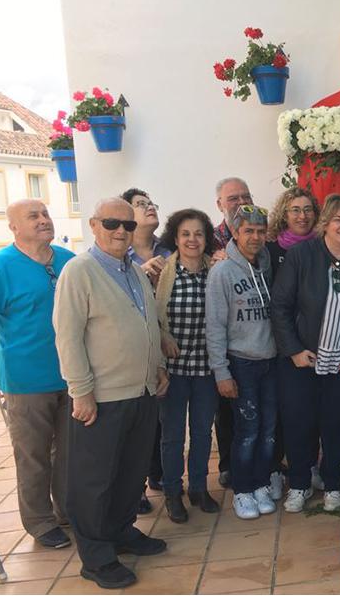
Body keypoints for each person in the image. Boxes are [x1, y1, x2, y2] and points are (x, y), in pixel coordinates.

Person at [53, 198, 168, 589]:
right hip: (101, 397)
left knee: (130, 473)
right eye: (111, 223)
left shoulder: (134, 272)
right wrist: (80, 392)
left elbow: (147, 324)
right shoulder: (79, 272)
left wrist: (158, 368)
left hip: (140, 392)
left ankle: (121, 532)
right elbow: (67, 337)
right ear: (94, 225)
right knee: (93, 481)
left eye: (127, 224)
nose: (120, 230)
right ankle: (96, 557)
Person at [271, 194, 340, 514]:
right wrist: (293, 351)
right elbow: (280, 306)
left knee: (334, 425)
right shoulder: (301, 256)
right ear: (325, 223)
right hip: (302, 362)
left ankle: (333, 484)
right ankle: (300, 484)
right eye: (338, 219)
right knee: (298, 424)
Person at [0, 199, 74, 549]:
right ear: (13, 227)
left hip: (74, 377)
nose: (44, 220)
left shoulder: (69, 261)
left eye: (45, 213)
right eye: (33, 216)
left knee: (70, 452)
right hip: (26, 381)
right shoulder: (2, 267)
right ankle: (40, 523)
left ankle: (67, 511)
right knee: (33, 455)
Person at [206, 205, 278, 520]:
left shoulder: (266, 265)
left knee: (268, 429)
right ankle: (243, 490)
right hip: (241, 362)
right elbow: (215, 325)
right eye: (248, 230)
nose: (255, 237)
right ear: (235, 233)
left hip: (270, 360)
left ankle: (261, 482)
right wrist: (221, 372)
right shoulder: (222, 271)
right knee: (247, 430)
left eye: (261, 231)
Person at [155, 209, 220, 522]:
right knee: (173, 436)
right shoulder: (162, 274)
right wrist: (162, 336)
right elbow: (150, 317)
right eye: (185, 234)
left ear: (206, 238)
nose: (192, 239)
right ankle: (171, 491)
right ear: (175, 239)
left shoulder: (216, 271)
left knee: (203, 433)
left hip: (207, 368)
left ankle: (198, 487)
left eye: (198, 233)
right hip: (174, 370)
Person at [267, 187, 323, 497]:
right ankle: (277, 469)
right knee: (284, 413)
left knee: (312, 411)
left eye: (307, 210)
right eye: (295, 210)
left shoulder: (325, 248)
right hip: (281, 345)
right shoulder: (271, 250)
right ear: (284, 215)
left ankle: (309, 466)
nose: (302, 216)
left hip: (316, 346)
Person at [120, 187, 171, 513]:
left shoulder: (169, 249)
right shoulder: (118, 257)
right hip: (131, 351)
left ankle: (158, 472)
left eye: (151, 203)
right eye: (141, 205)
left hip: (165, 344)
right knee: (133, 423)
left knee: (160, 418)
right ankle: (132, 488)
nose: (150, 207)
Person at [210, 177, 254, 489]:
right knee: (226, 411)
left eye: (244, 196)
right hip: (224, 340)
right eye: (232, 198)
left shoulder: (261, 233)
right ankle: (228, 465)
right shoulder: (210, 240)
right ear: (219, 205)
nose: (239, 202)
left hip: (256, 342)